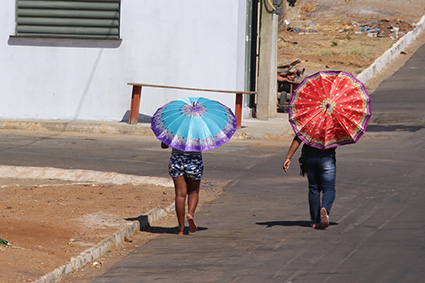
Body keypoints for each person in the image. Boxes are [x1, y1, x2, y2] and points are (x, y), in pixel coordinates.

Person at [283, 136, 336, 229]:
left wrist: (288, 157)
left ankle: (315, 221)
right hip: (327, 156)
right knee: (329, 188)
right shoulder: (335, 124)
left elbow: (299, 137)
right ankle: (325, 209)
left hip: (309, 156)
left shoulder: (309, 122)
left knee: (313, 188)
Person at [161, 142, 203, 235]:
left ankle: (181, 229)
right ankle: (190, 214)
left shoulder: (174, 128)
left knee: (180, 195)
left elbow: (164, 146)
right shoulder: (199, 129)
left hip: (177, 158)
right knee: (194, 192)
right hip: (194, 159)